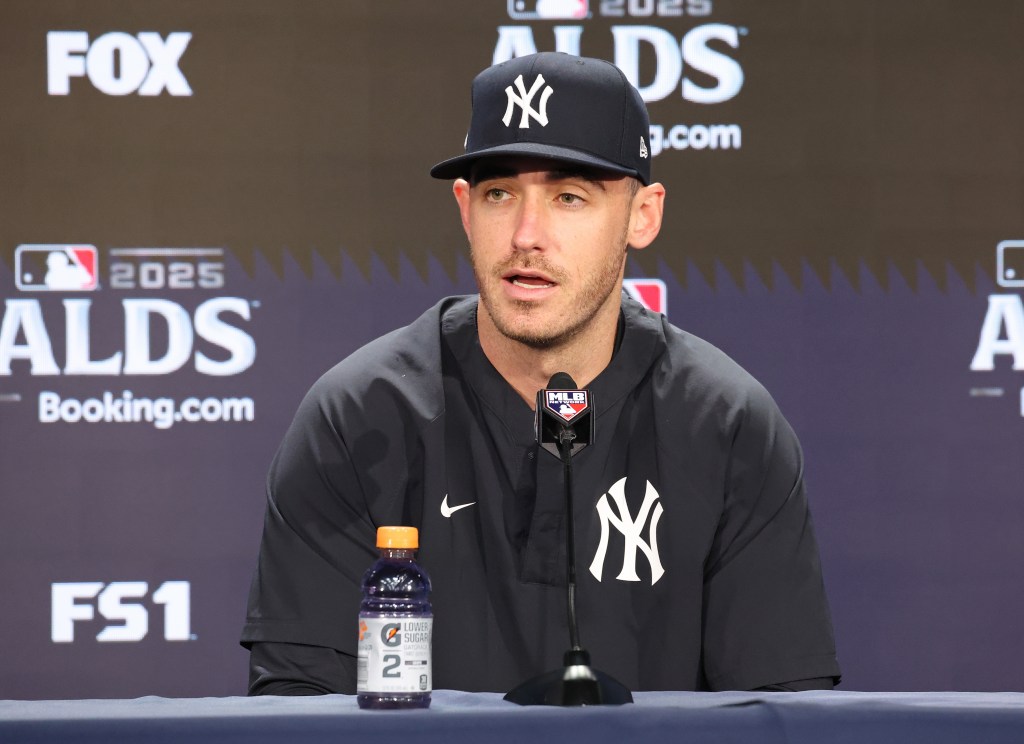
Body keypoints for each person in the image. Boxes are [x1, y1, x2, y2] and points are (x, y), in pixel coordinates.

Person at [242, 52, 840, 694]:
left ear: (644, 215)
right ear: (466, 209)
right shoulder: (358, 419)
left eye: (569, 197)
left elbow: (780, 715)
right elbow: (296, 710)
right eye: (500, 194)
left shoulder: (729, 425)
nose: (527, 234)